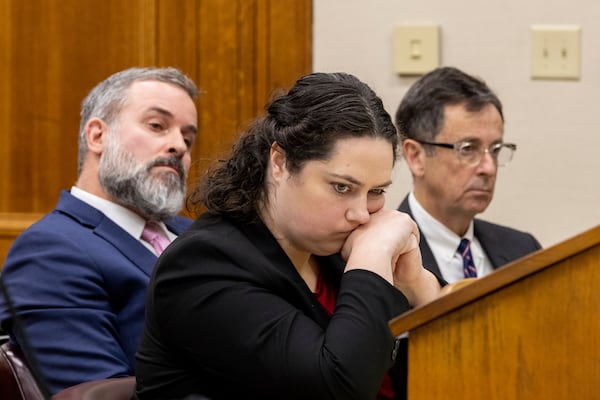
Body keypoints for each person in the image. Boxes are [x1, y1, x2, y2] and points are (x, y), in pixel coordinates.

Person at [134, 72, 444, 400]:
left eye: (376, 191)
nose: (361, 214)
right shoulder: (202, 266)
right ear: (280, 162)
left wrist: (415, 286)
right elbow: (337, 387)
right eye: (342, 187)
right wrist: (373, 256)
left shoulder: (331, 253)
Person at [0, 66, 199, 394]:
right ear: (97, 135)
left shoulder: (201, 235)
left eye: (188, 137)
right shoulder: (49, 251)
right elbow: (94, 393)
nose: (179, 146)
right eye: (157, 125)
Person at [395, 66, 541, 283]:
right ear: (416, 157)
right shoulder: (386, 257)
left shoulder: (523, 250)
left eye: (495, 149)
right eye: (468, 148)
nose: (489, 168)